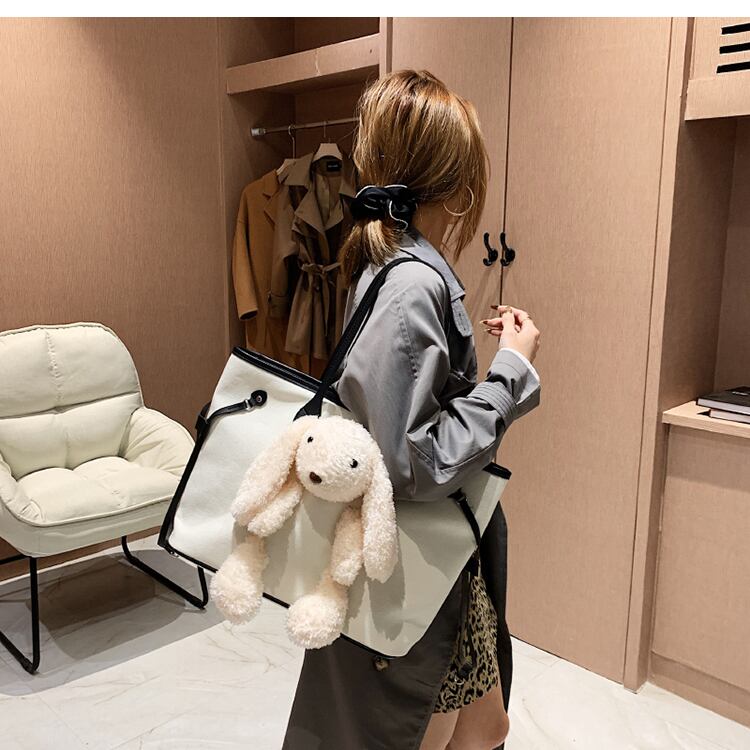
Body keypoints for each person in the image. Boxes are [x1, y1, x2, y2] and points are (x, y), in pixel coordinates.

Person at [282, 69, 541, 750]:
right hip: (420, 557)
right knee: (428, 731)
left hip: (444, 554)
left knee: (486, 726)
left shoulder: (394, 265)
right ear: (456, 186)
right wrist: (510, 373)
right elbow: (411, 463)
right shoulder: (413, 285)